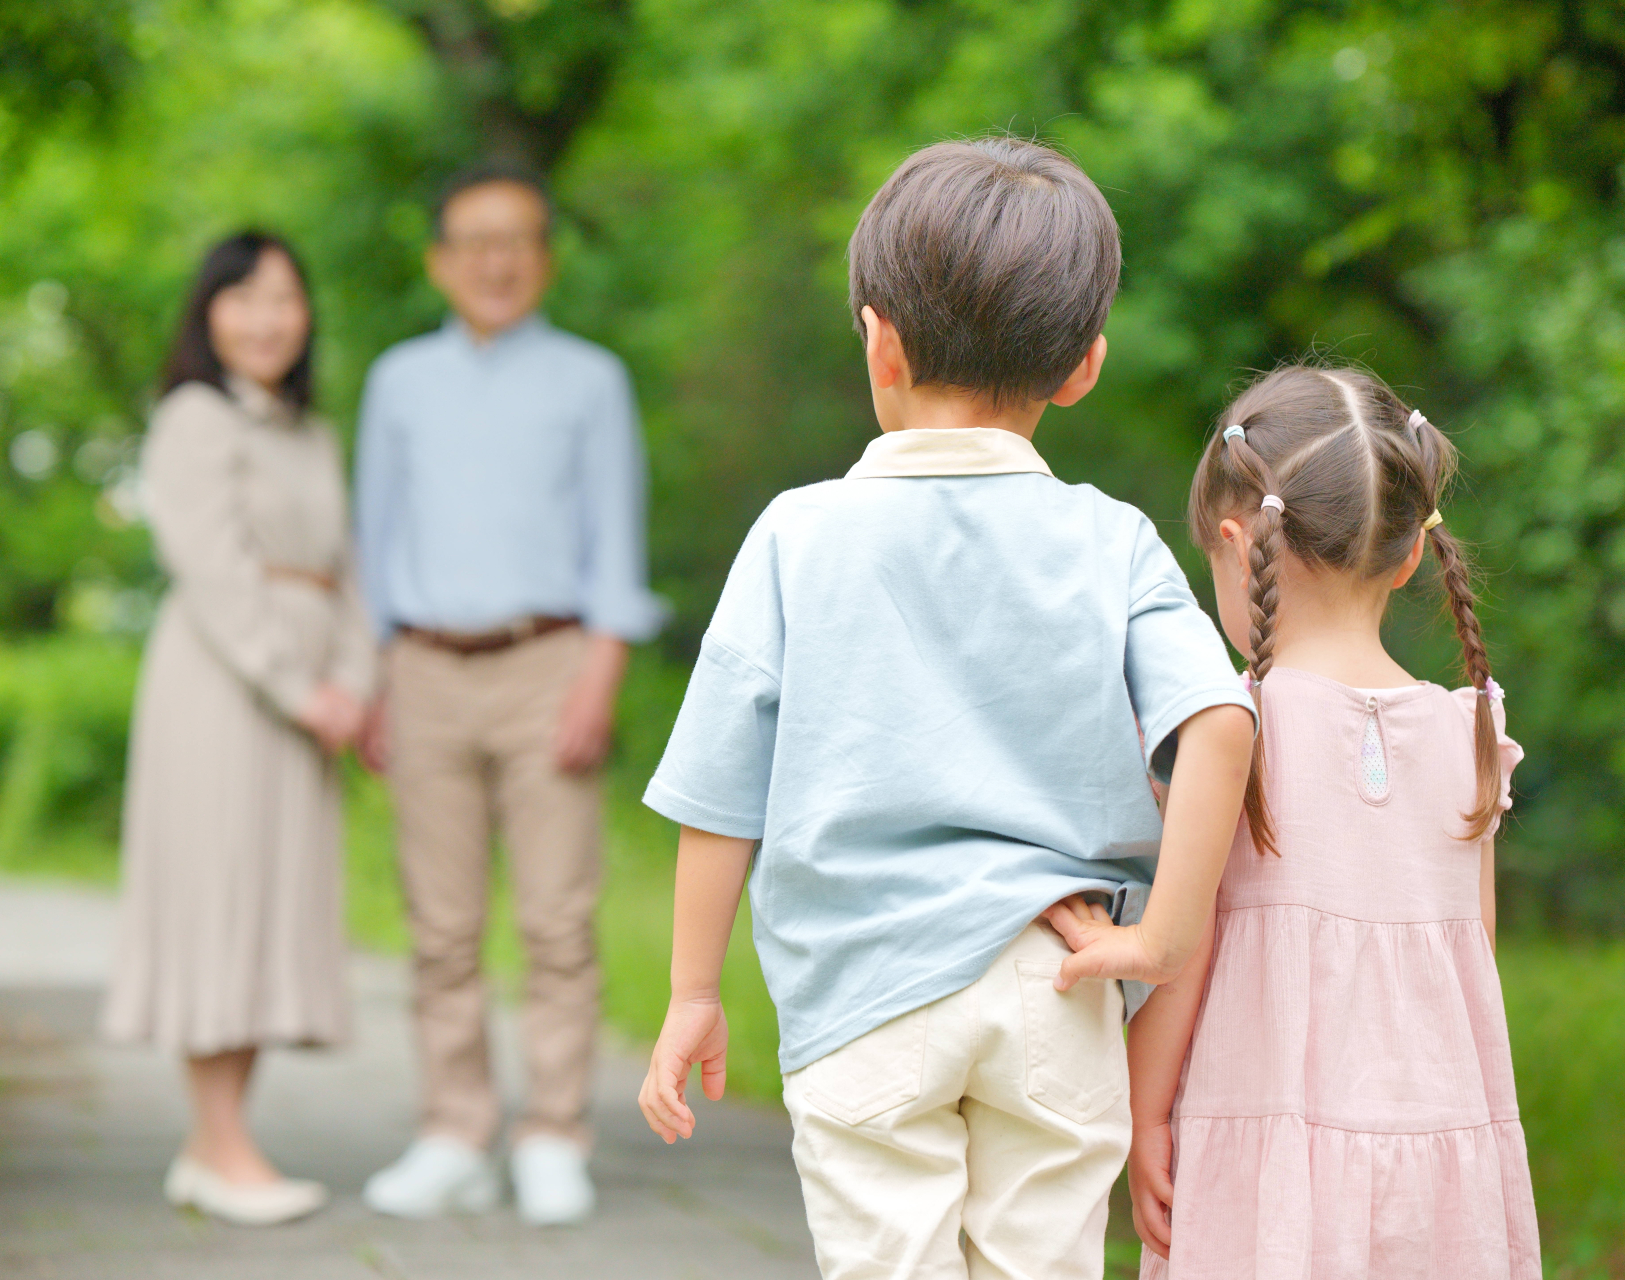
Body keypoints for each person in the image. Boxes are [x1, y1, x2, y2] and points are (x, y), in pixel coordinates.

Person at [635, 136, 1259, 1280]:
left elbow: (721, 790)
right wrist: (1162, 938)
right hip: (1058, 981)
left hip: (864, 990)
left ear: (878, 340)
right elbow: (1219, 722)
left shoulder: (796, 534)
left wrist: (690, 992)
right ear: (1083, 367)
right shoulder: (1108, 537)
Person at [1048, 364, 1540, 1278]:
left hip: (1268, 1141)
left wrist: (1145, 1113)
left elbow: (1182, 950)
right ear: (1406, 557)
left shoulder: (1236, 727)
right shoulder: (1471, 726)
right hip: (1439, 1156)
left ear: (1237, 546)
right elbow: (1476, 951)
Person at [354, 162, 664, 1226]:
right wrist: (374, 680)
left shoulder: (590, 379)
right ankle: (452, 1129)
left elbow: (617, 552)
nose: (496, 259)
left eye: (517, 238)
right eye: (474, 240)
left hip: (550, 662)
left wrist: (599, 679)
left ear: (545, 257)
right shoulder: (398, 382)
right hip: (424, 667)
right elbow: (375, 539)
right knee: (439, 925)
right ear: (440, 260)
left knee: (556, 918)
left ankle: (553, 1132)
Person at [103, 232, 374, 1226]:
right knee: (219, 899)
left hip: (309, 700)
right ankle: (220, 1145)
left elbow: (346, 567)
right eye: (244, 296)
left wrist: (352, 679)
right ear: (208, 311)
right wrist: (298, 686)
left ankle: (214, 1143)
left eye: (285, 298)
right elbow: (211, 572)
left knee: (270, 908)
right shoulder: (193, 419)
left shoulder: (309, 430)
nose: (266, 317)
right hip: (223, 691)